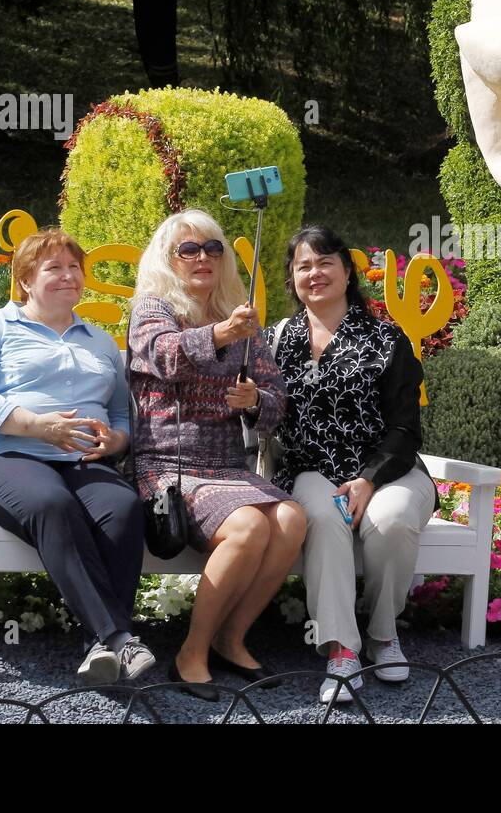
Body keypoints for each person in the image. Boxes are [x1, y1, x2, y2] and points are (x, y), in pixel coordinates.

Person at [0, 228, 154, 684]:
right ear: (24, 280)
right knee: (50, 503)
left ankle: (98, 648)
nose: (68, 276)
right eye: (53, 268)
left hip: (82, 463)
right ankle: (118, 638)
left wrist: (115, 442)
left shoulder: (99, 340)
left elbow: (121, 412)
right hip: (0, 459)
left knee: (122, 508)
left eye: (74, 267)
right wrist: (39, 426)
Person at [127, 209, 305, 701]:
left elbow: (276, 399)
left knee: (291, 518)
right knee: (249, 525)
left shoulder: (241, 317)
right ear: (169, 259)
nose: (203, 257)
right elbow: (165, 355)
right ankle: (191, 652)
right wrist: (223, 334)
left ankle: (232, 637)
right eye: (189, 249)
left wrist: (256, 402)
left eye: (212, 248)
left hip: (228, 466)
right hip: (169, 466)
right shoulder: (153, 309)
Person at [267, 225, 439, 704]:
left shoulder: (386, 339)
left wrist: (368, 479)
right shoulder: (276, 339)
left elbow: (406, 429)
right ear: (292, 278)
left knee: (393, 520)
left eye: (325, 262)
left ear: (347, 272)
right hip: (310, 470)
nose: (314, 273)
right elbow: (262, 412)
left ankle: (384, 634)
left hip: (389, 468)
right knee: (322, 517)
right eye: (303, 265)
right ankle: (342, 649)